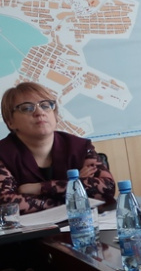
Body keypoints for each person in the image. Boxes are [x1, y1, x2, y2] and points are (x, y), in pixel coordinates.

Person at [0, 82, 115, 213]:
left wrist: (40, 188)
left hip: (82, 223)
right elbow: (6, 203)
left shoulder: (80, 146)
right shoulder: (3, 154)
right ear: (10, 121)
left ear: (55, 115)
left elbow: (107, 189)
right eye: (27, 108)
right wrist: (74, 191)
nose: (39, 112)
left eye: (45, 106)